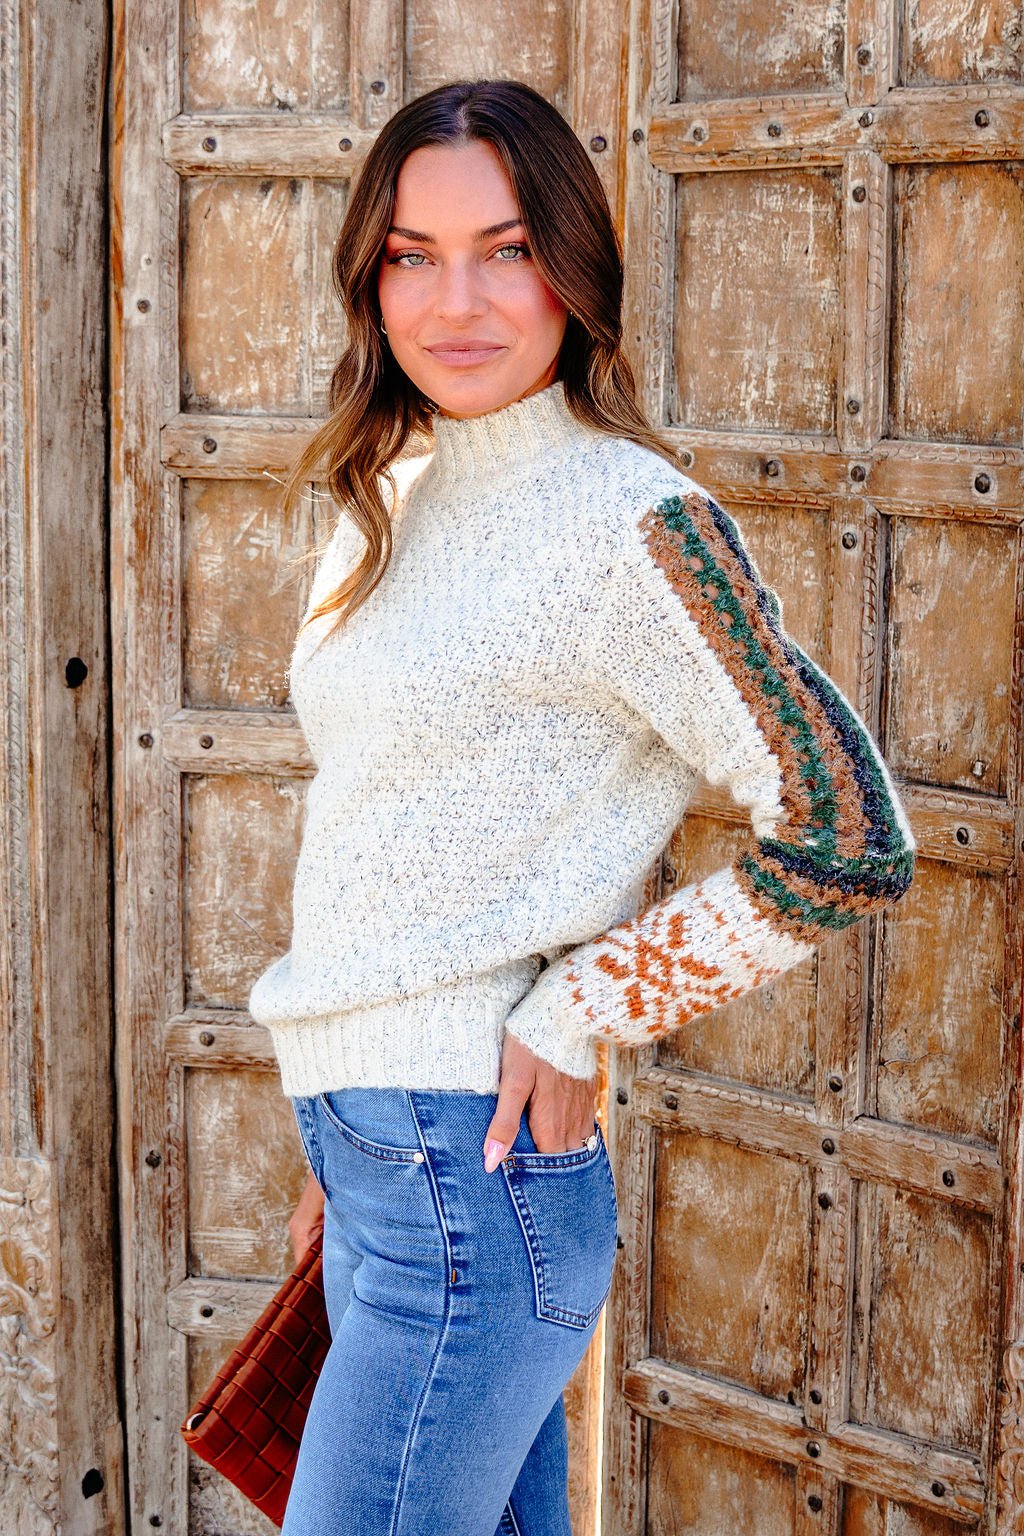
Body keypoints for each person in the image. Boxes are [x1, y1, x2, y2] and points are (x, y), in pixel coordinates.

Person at [246, 78, 916, 1536]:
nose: (457, 300)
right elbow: (380, 832)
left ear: (574, 266)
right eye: (413, 255)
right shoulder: (390, 500)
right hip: (379, 1173)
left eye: (505, 247)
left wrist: (584, 1004)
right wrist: (332, 1146)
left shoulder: (629, 526)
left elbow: (847, 830)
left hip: (465, 1199)